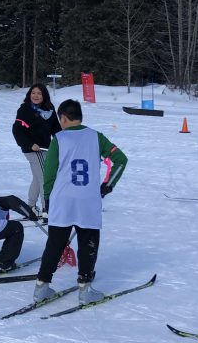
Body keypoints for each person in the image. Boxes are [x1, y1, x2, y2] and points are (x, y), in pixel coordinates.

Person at [33, 99, 128, 304]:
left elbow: (48, 173)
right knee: (88, 244)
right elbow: (121, 159)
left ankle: (41, 287)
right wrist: (107, 185)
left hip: (62, 200)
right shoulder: (96, 137)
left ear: (63, 118)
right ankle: (85, 290)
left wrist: (48, 200)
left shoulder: (59, 138)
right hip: (88, 201)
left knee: (54, 245)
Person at [11, 83, 62, 217]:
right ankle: (47, 209)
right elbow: (17, 130)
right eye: (33, 93)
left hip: (45, 148)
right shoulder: (25, 110)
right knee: (45, 177)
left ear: (44, 95)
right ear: (29, 94)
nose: (36, 96)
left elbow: (56, 128)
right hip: (33, 150)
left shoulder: (49, 109)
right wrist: (29, 144)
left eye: (39, 93)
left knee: (37, 177)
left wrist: (62, 142)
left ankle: (31, 207)